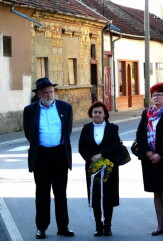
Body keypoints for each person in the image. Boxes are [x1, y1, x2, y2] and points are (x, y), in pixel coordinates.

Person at [23, 77, 74, 239]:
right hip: (41, 156)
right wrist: (40, 145)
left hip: (60, 154)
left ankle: (63, 227)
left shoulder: (65, 107)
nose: (49, 95)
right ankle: (41, 227)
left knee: (61, 193)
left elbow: (68, 130)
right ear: (38, 94)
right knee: (42, 193)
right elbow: (28, 133)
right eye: (45, 92)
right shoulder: (30, 110)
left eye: (51, 91)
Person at [136, 83, 163, 236]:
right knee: (156, 192)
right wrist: (148, 152)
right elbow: (140, 135)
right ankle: (159, 225)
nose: (155, 97)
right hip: (149, 159)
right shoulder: (146, 113)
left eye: (159, 94)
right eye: (153, 94)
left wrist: (160, 154)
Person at [78, 101, 122, 236]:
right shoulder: (86, 128)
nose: (97, 114)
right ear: (91, 114)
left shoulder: (112, 128)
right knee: (95, 195)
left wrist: (102, 155)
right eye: (94, 112)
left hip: (108, 167)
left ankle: (107, 225)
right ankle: (98, 226)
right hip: (92, 167)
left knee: (108, 195)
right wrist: (90, 158)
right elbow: (81, 147)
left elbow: (116, 145)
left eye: (99, 112)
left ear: (105, 114)